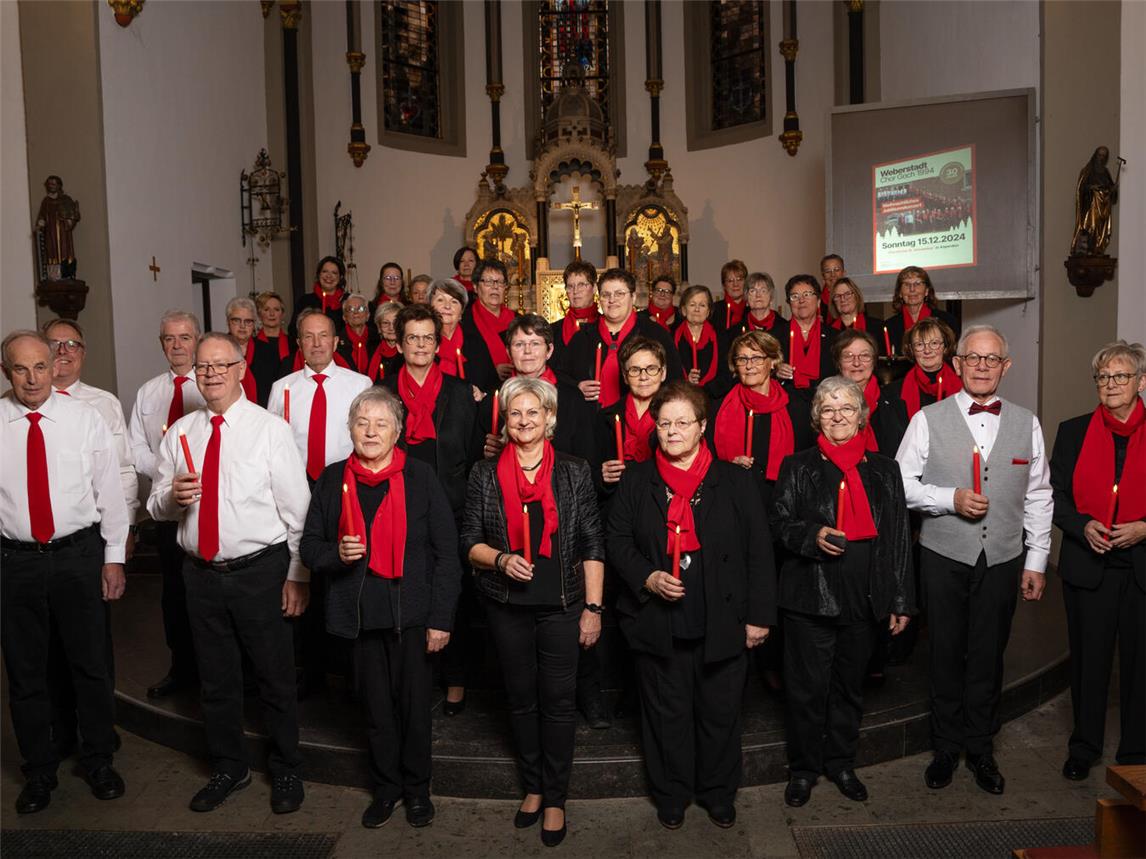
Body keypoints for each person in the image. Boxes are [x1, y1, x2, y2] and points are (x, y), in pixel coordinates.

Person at [148, 332, 311, 814]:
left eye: (222, 365)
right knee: (215, 680)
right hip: (200, 574)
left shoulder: (269, 430)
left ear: (241, 369)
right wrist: (170, 499)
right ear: (195, 374)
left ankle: (286, 769)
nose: (212, 373)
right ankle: (229, 766)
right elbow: (156, 505)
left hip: (260, 572)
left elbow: (297, 512)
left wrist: (298, 575)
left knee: (274, 677)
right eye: (203, 367)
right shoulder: (181, 433)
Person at [606, 380, 775, 830]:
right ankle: (671, 793)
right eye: (664, 423)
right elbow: (617, 541)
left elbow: (759, 550)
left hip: (723, 619)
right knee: (667, 716)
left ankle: (718, 792)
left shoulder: (735, 481)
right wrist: (647, 576)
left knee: (720, 714)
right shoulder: (637, 480)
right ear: (654, 429)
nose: (673, 431)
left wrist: (759, 617)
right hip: (658, 621)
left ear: (703, 427)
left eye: (683, 422)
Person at [896, 324, 1052, 795]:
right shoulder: (927, 418)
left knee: (988, 655)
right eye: (973, 358)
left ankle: (981, 748)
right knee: (944, 652)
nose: (982, 366)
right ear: (957, 363)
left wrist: (1036, 560)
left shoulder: (1028, 422)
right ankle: (945, 747)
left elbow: (1040, 495)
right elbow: (900, 484)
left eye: (992, 359)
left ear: (1005, 366)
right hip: (943, 553)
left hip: (1003, 556)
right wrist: (948, 498)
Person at [300, 387, 462, 829]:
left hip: (412, 614)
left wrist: (440, 619)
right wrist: (337, 553)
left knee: (413, 708)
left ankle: (417, 792)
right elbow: (309, 547)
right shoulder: (333, 479)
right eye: (361, 423)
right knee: (374, 710)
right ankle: (386, 790)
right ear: (350, 428)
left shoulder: (421, 477)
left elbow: (447, 553)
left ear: (398, 431)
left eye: (381, 424)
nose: (370, 432)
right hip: (360, 614)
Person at [460, 376, 605, 847]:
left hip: (563, 606)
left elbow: (591, 543)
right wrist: (499, 559)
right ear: (505, 421)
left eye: (533, 413)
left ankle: (558, 797)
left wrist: (594, 608)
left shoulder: (574, 471)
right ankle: (534, 786)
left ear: (549, 419)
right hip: (507, 606)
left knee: (559, 704)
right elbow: (470, 542)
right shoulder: (484, 474)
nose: (524, 421)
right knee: (521, 699)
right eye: (515, 414)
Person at [1, 330, 129, 815]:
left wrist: (113, 556)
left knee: (90, 665)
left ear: (54, 366)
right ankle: (39, 770)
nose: (32, 378)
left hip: (78, 556)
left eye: (40, 366)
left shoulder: (84, 419)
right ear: (6, 372)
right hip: (15, 561)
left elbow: (109, 492)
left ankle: (98, 759)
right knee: (26, 671)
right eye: (20, 369)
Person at [771, 376, 913, 807]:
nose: (837, 416)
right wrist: (811, 535)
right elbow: (778, 524)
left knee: (850, 687)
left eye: (846, 408)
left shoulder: (885, 470)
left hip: (865, 596)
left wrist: (901, 598)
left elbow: (899, 537)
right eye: (829, 409)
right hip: (809, 598)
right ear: (817, 417)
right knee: (806, 689)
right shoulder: (798, 466)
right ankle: (803, 769)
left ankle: (841, 763)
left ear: (861, 416)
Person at [1050, 340, 1145, 780]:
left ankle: (1137, 752)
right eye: (1104, 377)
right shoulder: (1072, 431)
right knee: (1089, 662)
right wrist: (1082, 525)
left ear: (1140, 382)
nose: (1110, 384)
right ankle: (1083, 747)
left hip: (1142, 565)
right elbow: (1056, 496)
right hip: (1090, 566)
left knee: (1141, 662)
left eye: (1120, 376)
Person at [380, 304, 481, 718]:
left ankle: (455, 678)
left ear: (438, 344)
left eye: (428, 338)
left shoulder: (460, 391)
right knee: (406, 590)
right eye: (412, 338)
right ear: (399, 344)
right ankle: (413, 678)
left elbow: (475, 453)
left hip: (452, 506)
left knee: (452, 593)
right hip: (400, 504)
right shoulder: (382, 391)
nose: (420, 345)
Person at [43, 318, 138, 752]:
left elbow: (121, 471)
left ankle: (100, 734)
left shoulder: (103, 404)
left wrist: (125, 531)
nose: (64, 351)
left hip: (88, 541)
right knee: (44, 649)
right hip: (31, 549)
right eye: (55, 344)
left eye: (73, 345)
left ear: (83, 353)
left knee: (92, 645)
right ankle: (59, 732)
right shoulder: (13, 408)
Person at [127, 310, 207, 699]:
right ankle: (182, 668)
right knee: (173, 591)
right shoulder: (149, 392)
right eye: (169, 339)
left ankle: (218, 670)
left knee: (207, 590)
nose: (176, 346)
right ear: (161, 344)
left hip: (205, 504)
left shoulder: (211, 384)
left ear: (197, 340)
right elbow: (135, 445)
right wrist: (163, 471)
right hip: (165, 507)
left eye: (184, 338)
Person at [711, 331, 812, 508]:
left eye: (756, 358)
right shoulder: (718, 409)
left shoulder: (796, 408)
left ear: (773, 362)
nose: (749, 366)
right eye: (742, 359)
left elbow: (806, 464)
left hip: (782, 503)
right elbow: (706, 460)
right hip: (733, 500)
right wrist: (728, 466)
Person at [564, 268, 682, 409]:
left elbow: (675, 381)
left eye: (619, 294)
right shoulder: (583, 337)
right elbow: (561, 377)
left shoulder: (655, 333)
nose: (612, 300)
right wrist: (577, 387)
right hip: (591, 421)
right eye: (605, 295)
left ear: (633, 297)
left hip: (643, 419)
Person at [833, 329, 908, 456]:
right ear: (839, 364)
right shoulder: (827, 404)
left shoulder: (895, 402)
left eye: (864, 356)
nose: (856, 363)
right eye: (848, 356)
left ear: (873, 362)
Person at [882, 317, 960, 421]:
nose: (927, 350)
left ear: (945, 347)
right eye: (919, 344)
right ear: (911, 349)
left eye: (934, 343)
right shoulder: (892, 393)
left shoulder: (964, 389)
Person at [776, 275, 836, 399]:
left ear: (818, 301)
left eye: (807, 294)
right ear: (789, 303)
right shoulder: (775, 336)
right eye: (795, 296)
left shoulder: (835, 337)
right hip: (787, 404)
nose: (801, 300)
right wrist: (776, 371)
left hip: (826, 402)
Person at [462, 258, 516, 395]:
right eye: (488, 281)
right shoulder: (464, 322)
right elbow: (461, 366)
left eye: (500, 282)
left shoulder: (518, 320)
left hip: (516, 392)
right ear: (475, 286)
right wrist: (493, 371)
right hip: (480, 396)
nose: (495, 287)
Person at [882, 267, 959, 355]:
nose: (912, 289)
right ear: (900, 293)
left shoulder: (947, 321)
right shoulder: (889, 325)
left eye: (917, 284)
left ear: (926, 291)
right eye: (906, 284)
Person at [674, 285, 729, 400]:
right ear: (684, 310)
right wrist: (686, 383)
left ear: (708, 311)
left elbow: (726, 375)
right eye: (692, 305)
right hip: (680, 398)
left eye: (702, 305)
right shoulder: (672, 337)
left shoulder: (721, 337)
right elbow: (668, 374)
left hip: (714, 400)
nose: (697, 309)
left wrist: (704, 391)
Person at [1071, 146, 1119, 256]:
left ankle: (1098, 248)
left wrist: (1113, 189)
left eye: (1104, 156)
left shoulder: (1106, 172)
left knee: (1100, 228)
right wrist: (1092, 187)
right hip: (1091, 206)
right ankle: (1088, 249)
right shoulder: (1087, 171)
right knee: (1091, 227)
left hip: (1103, 207)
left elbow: (1110, 190)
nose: (1101, 158)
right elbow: (1081, 189)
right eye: (1100, 155)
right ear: (1095, 155)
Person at [35, 175, 81, 279]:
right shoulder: (46, 201)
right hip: (50, 233)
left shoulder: (66, 199)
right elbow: (42, 216)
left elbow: (73, 215)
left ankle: (67, 273)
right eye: (49, 184)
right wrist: (41, 223)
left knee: (65, 250)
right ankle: (54, 275)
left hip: (63, 233)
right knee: (51, 251)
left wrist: (70, 221)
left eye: (53, 184)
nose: (51, 186)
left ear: (59, 186)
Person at [290, 256, 347, 337]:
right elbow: (294, 330)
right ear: (319, 274)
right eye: (324, 271)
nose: (329, 276)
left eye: (334, 273)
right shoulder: (305, 301)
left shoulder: (347, 301)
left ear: (340, 277)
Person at [553, 260, 599, 360]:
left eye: (581, 285)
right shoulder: (553, 331)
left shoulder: (607, 325)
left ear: (595, 288)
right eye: (570, 286)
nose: (575, 291)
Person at [251, 292, 292, 405]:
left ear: (282, 314)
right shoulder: (251, 344)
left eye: (276, 309)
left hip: (288, 401)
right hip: (260, 404)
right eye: (266, 309)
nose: (272, 313)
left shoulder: (293, 343)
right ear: (259, 314)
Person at [828, 278, 883, 346]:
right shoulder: (828, 332)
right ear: (833, 302)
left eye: (847, 294)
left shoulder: (876, 327)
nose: (842, 299)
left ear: (857, 297)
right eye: (837, 296)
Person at [225, 297, 259, 402]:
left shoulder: (269, 351)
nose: (242, 326)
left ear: (254, 325)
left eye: (248, 321)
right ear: (228, 322)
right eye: (236, 320)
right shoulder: (218, 349)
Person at [337, 293, 380, 375]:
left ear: (368, 315)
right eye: (350, 309)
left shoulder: (378, 339)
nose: (356, 313)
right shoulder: (336, 343)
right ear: (344, 317)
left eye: (360, 308)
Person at [366, 301, 402, 383]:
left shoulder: (408, 353)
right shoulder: (370, 349)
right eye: (385, 323)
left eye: (396, 323)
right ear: (379, 327)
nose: (391, 328)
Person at [741, 272, 784, 337]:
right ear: (746, 297)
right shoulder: (734, 332)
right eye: (752, 291)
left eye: (763, 291)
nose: (758, 295)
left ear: (771, 297)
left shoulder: (785, 329)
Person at [712, 259, 748, 332]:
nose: (735, 284)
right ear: (724, 285)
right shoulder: (714, 311)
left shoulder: (751, 310)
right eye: (730, 281)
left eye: (739, 279)